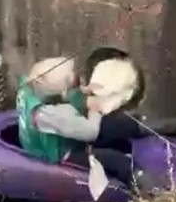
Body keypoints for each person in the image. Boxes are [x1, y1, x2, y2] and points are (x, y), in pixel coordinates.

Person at [16, 50, 145, 187]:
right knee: (117, 160)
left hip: (52, 135)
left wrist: (84, 94)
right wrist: (95, 107)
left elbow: (69, 96)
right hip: (65, 154)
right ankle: (149, 191)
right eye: (69, 79)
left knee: (117, 125)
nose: (75, 76)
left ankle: (146, 126)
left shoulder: (28, 86)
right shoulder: (49, 115)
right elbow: (91, 132)